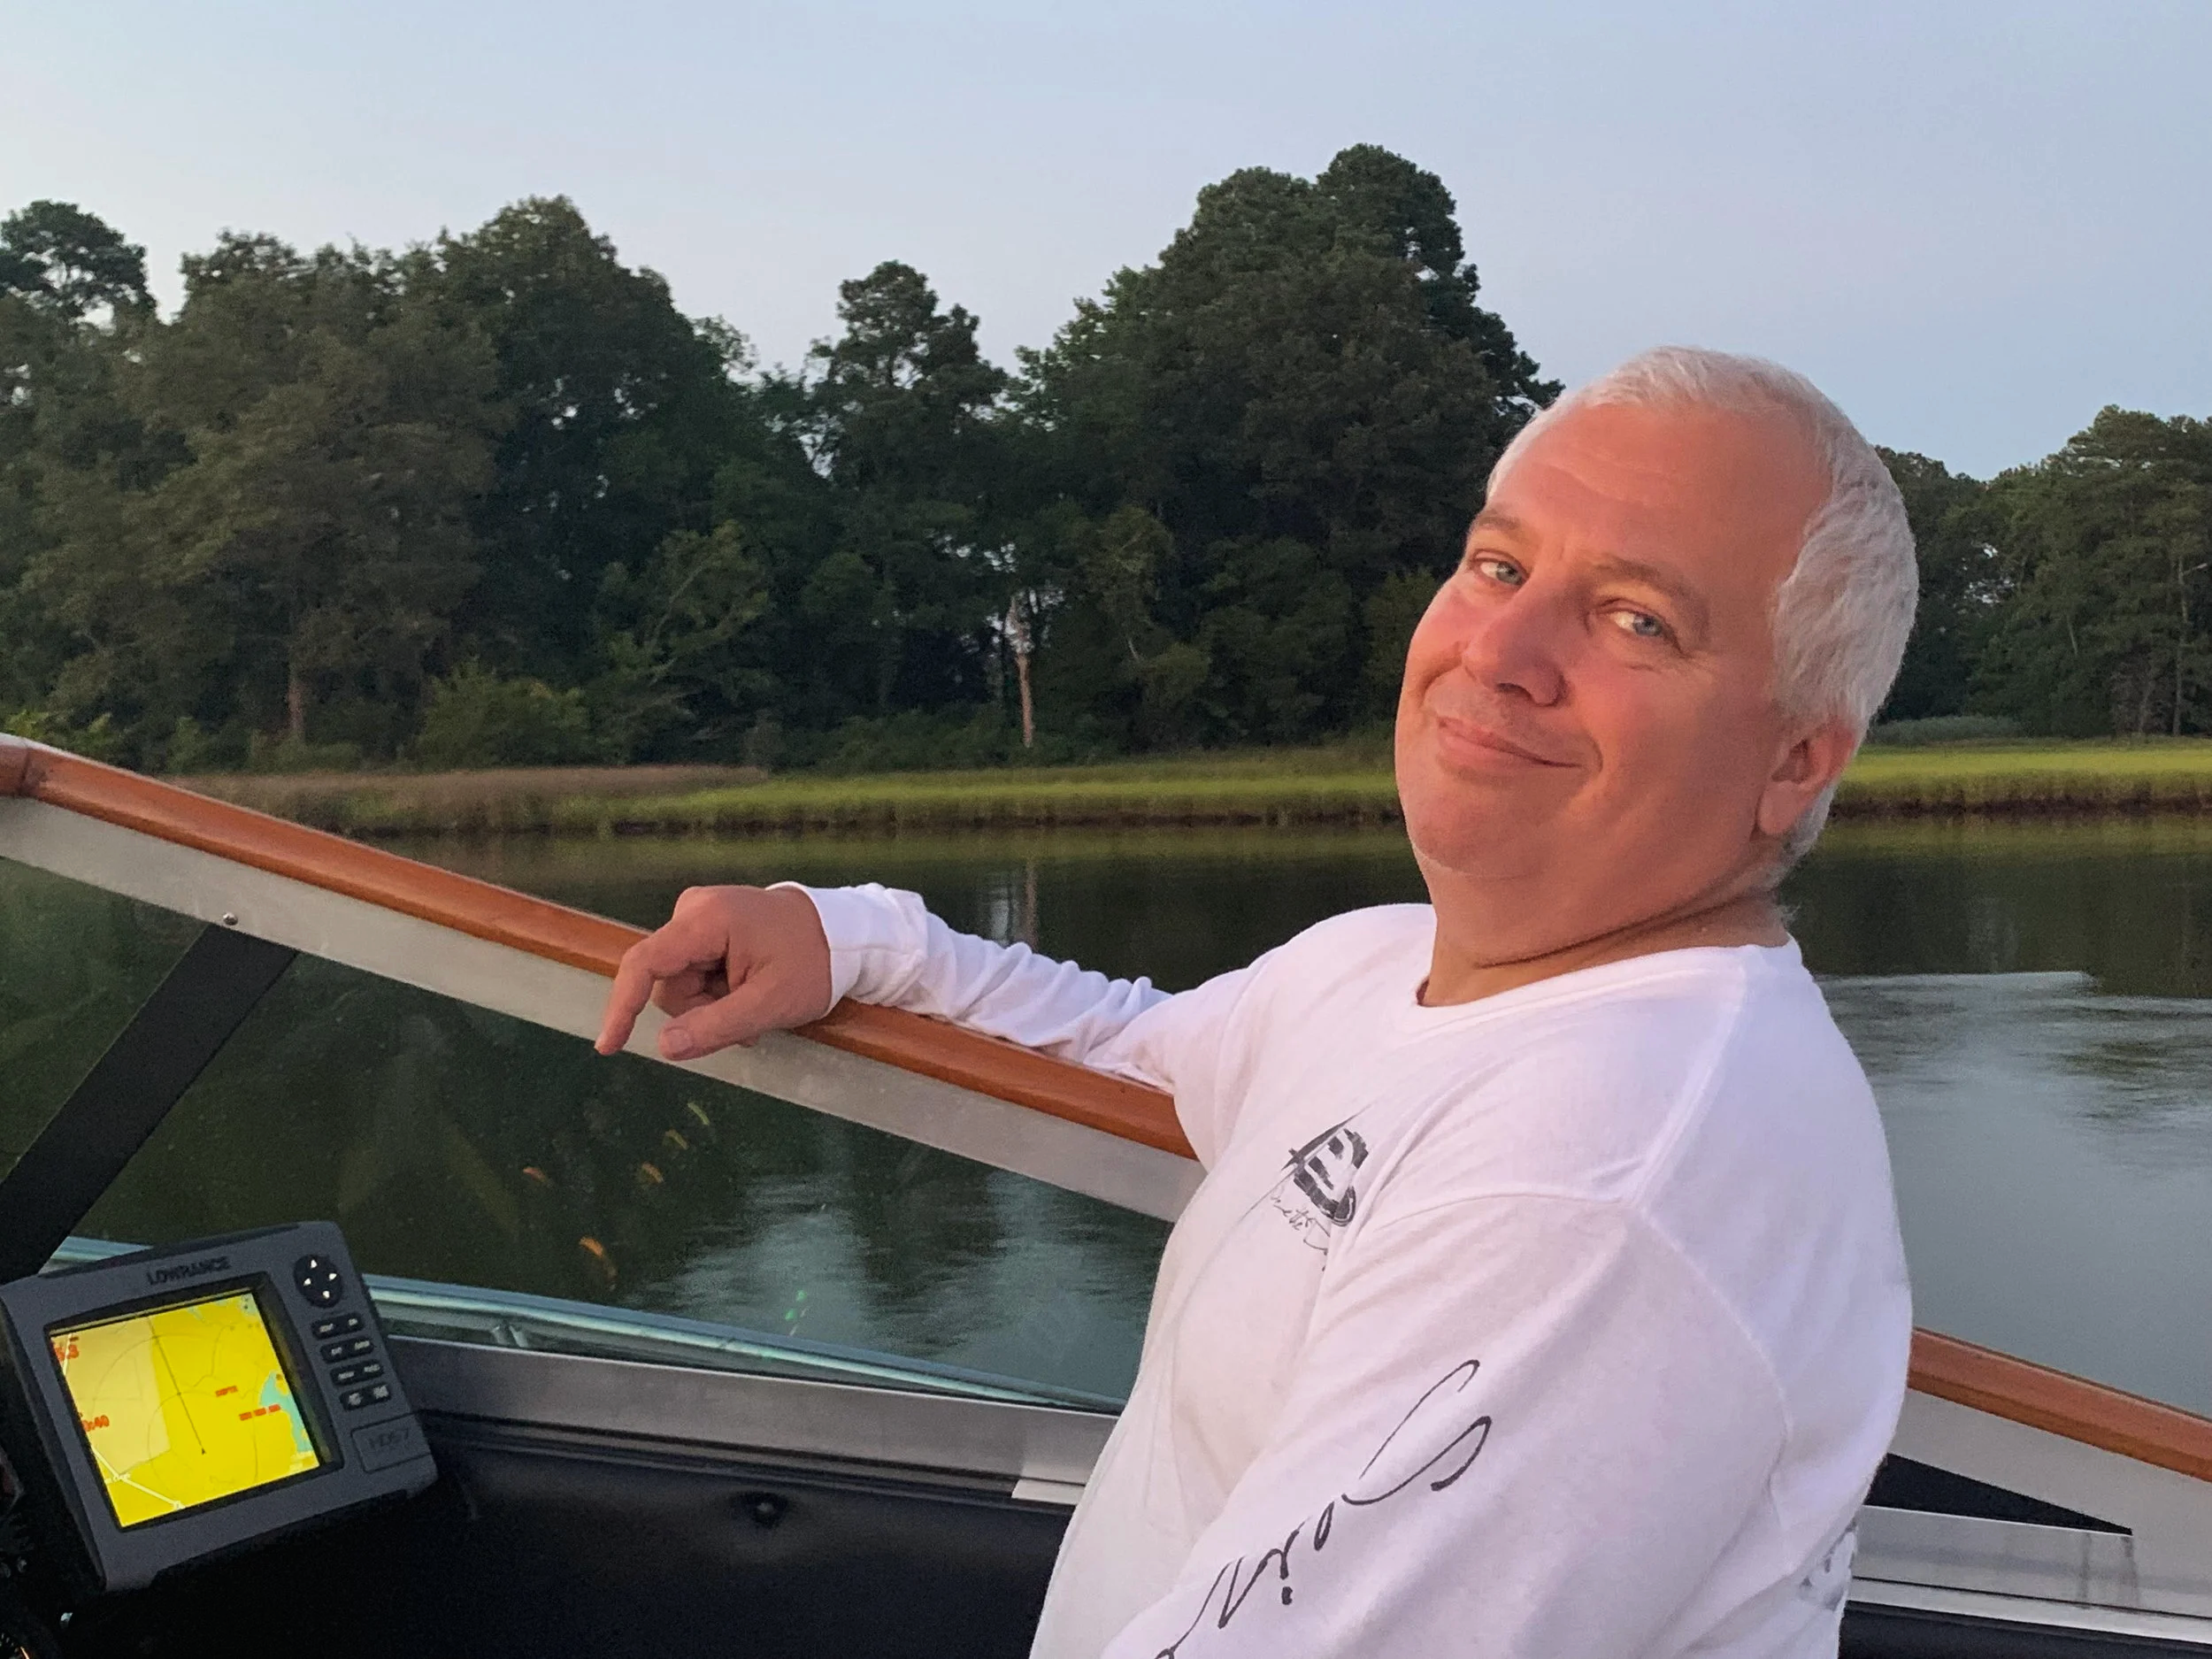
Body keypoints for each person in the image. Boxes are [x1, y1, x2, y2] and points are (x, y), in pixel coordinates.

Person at [595, 347, 1918, 1657]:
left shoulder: (1607, 1175)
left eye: (1638, 618)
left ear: (1796, 759)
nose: (1503, 649)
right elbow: (1134, 1050)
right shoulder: (1389, 963)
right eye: (1499, 565)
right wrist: (856, 936)